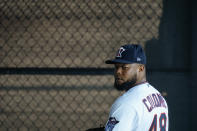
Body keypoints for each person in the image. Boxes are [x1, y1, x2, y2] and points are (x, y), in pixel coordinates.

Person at [104, 44, 169, 131]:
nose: (118, 72)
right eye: (116, 67)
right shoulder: (159, 98)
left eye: (124, 67)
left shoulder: (126, 103)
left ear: (141, 68)